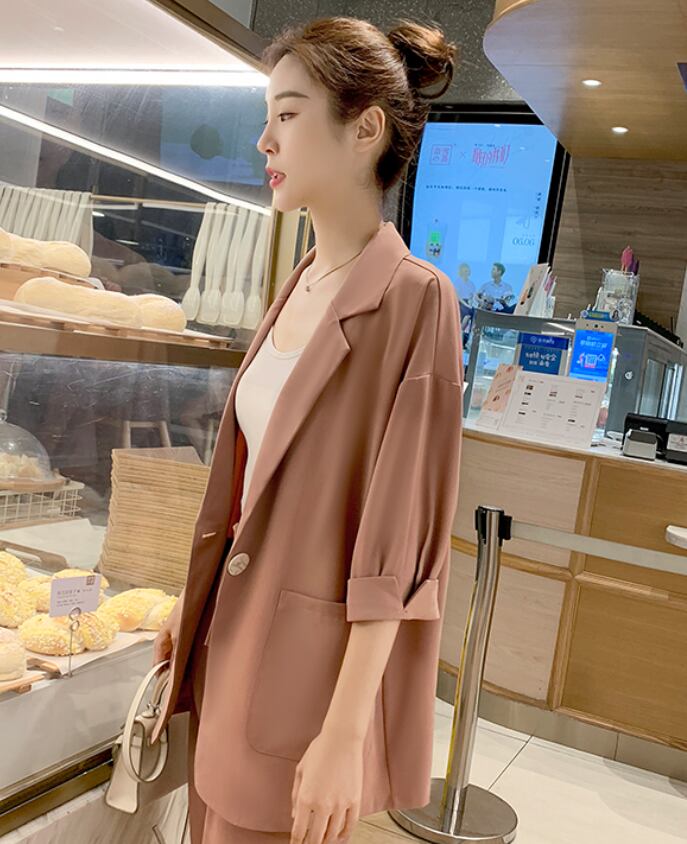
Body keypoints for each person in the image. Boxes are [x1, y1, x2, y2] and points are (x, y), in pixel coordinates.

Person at [152, 16, 464, 844]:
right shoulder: (298, 282)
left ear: (364, 129)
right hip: (228, 644)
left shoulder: (414, 298)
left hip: (305, 681)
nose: (264, 139)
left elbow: (400, 549)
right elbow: (254, 485)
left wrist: (344, 736)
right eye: (268, 116)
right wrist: (193, 602)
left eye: (287, 114)